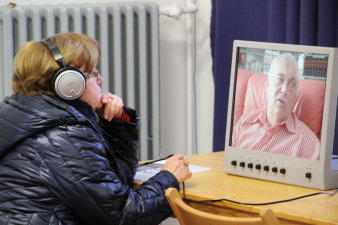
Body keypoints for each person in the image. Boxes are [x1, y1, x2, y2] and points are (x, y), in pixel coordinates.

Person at [0, 32, 192, 225]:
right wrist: (169, 178)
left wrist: (116, 122)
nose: (100, 79)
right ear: (68, 83)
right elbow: (122, 216)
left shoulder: (25, 118)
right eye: (92, 72)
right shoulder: (63, 135)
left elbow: (117, 186)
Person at [232, 53, 320, 160]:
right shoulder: (244, 123)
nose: (284, 90)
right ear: (268, 86)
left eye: (292, 84)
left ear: (296, 96)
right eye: (279, 80)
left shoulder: (309, 146)